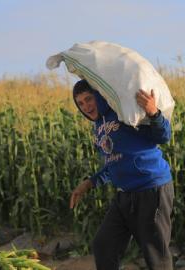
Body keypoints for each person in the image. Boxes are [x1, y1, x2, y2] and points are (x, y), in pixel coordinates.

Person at [70, 79, 174, 270]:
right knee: (104, 245)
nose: (86, 106)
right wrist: (90, 183)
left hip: (151, 188)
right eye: (80, 103)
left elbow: (163, 136)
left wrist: (154, 113)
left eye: (89, 99)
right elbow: (114, 162)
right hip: (125, 195)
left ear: (99, 96)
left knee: (156, 254)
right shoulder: (98, 127)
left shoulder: (122, 111)